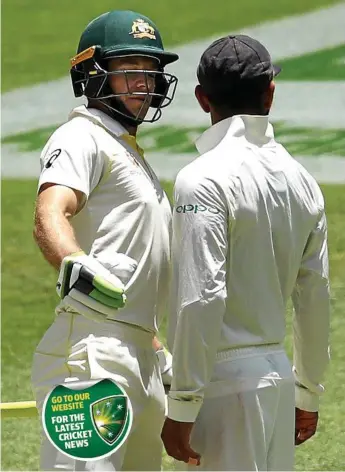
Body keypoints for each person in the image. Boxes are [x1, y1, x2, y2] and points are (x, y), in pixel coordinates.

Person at [161, 34, 331, 471]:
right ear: (269, 92)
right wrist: (307, 391)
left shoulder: (201, 178)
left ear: (202, 99)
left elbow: (201, 297)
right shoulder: (302, 180)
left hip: (220, 388)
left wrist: (181, 403)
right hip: (275, 377)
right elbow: (314, 298)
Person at [31, 9, 178, 471]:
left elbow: (133, 257)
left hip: (137, 353)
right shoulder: (81, 136)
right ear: (93, 74)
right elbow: (50, 212)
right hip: (91, 353)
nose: (145, 82)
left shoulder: (129, 152)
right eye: (130, 69)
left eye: (151, 70)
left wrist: (153, 346)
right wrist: (74, 261)